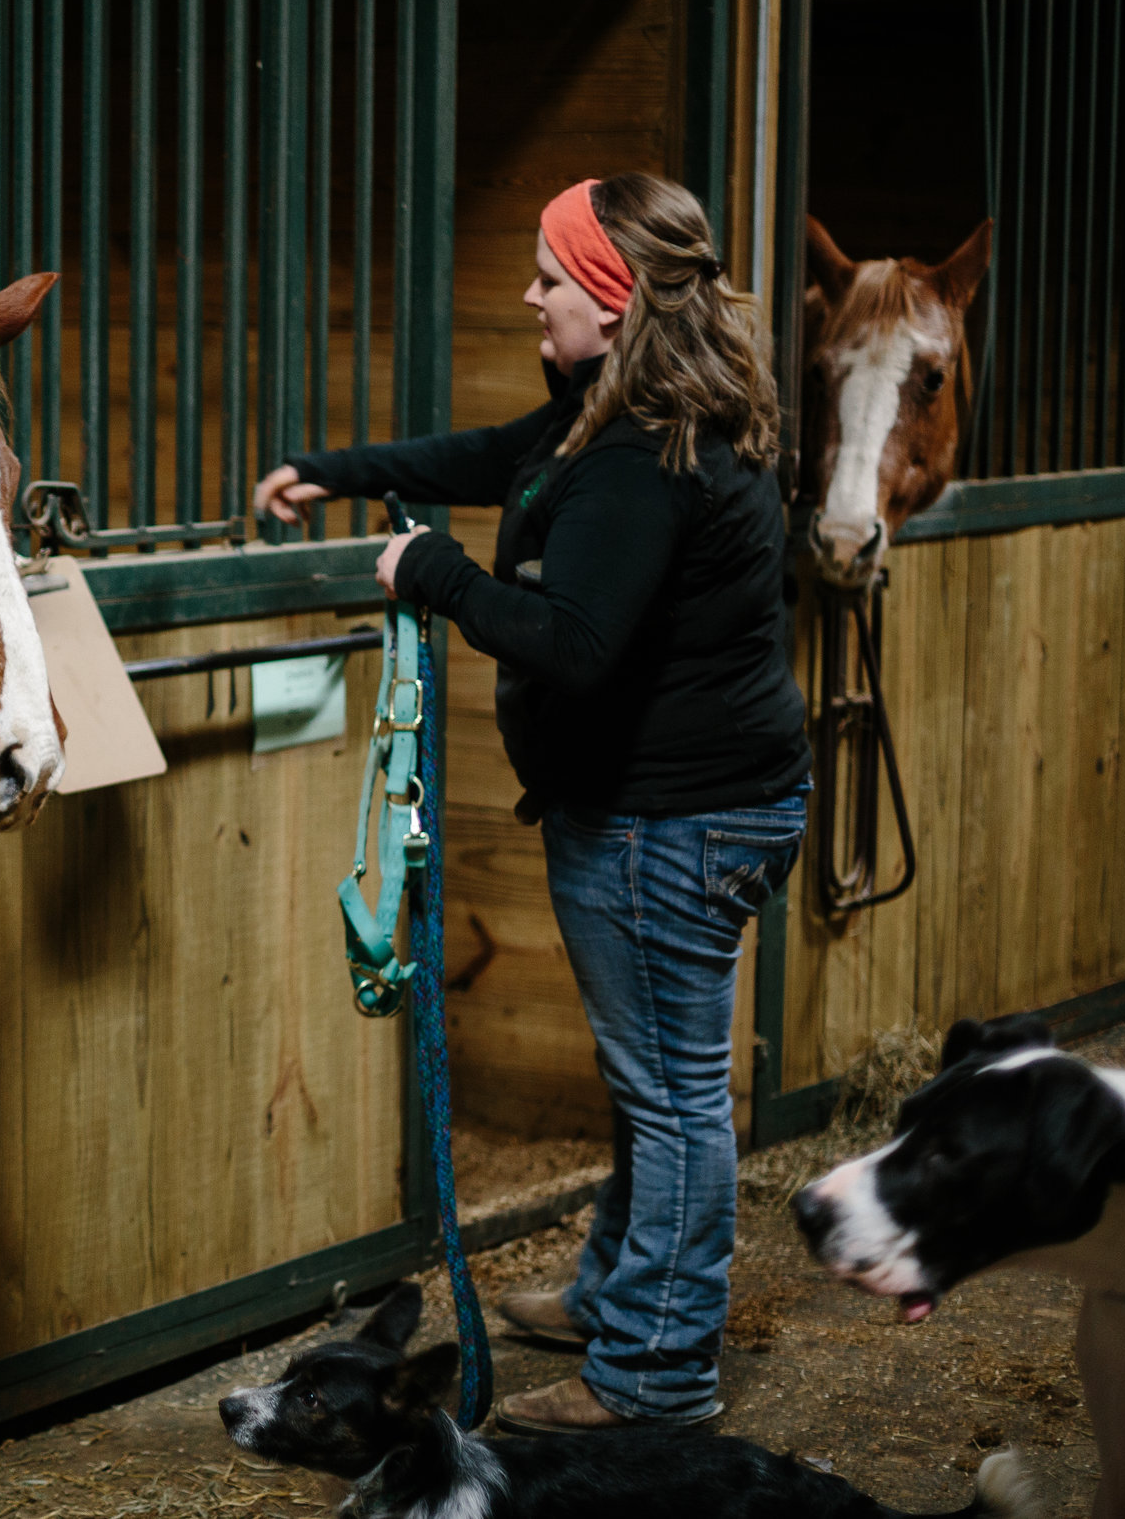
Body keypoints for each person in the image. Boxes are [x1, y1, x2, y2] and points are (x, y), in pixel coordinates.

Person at [254, 173, 809, 1433]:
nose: (529, 296)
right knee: (655, 1078)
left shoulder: (635, 457)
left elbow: (573, 641)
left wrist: (431, 570)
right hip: (706, 804)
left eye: (550, 276)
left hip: (668, 820)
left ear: (610, 303)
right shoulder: (622, 415)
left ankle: (654, 1376)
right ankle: (624, 1292)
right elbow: (487, 455)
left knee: (669, 1094)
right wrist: (332, 470)